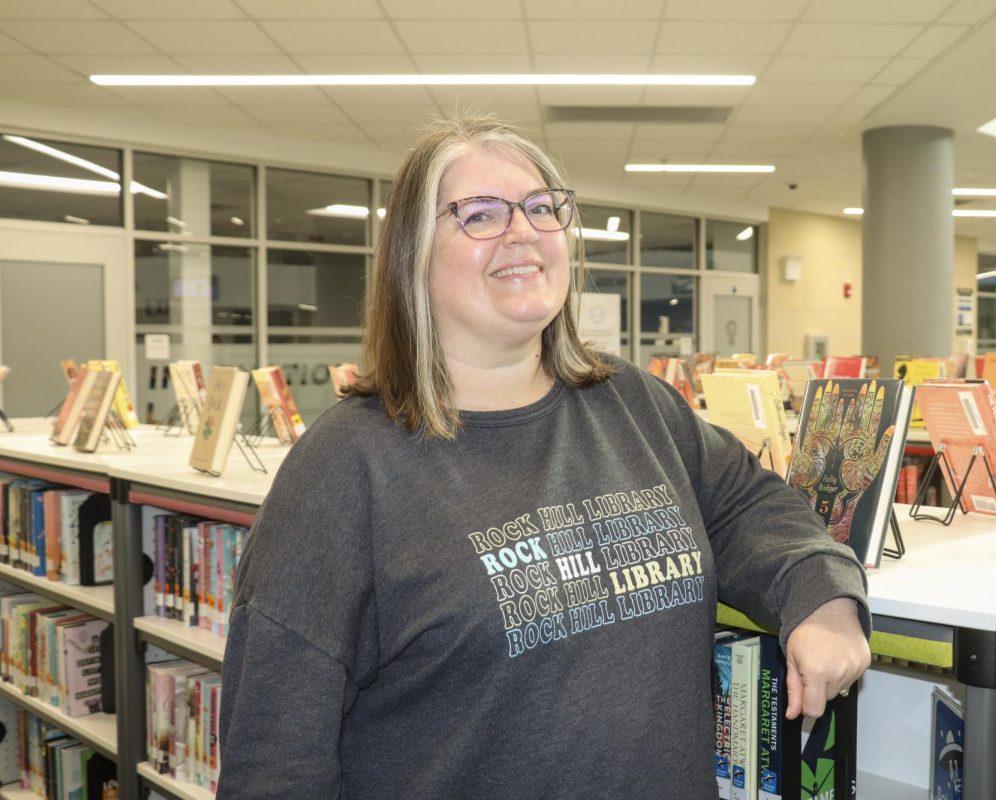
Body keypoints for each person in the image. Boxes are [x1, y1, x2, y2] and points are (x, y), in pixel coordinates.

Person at [218, 115, 871, 799]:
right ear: (412, 253)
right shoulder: (345, 467)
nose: (524, 232)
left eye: (540, 208)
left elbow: (747, 503)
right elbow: (273, 761)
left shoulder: (634, 404)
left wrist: (822, 596)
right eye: (480, 215)